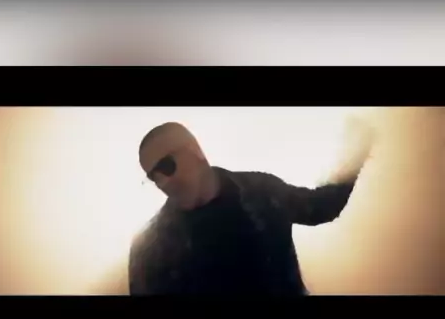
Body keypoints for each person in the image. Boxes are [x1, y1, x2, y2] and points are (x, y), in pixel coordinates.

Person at [128, 117, 374, 295]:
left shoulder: (262, 192)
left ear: (196, 151)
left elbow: (321, 207)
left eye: (167, 166)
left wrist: (355, 155)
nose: (163, 182)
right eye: (153, 177)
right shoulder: (151, 250)